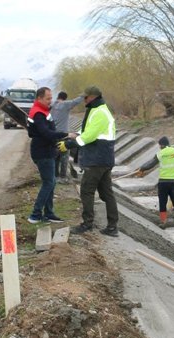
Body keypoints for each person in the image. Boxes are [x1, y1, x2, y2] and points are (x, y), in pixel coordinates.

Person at [59, 85, 119, 237]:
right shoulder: (97, 110)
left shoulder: (100, 112)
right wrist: (74, 134)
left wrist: (68, 144)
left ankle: (87, 224)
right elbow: (87, 131)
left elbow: (89, 136)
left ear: (92, 97)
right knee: (107, 193)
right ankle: (112, 227)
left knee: (86, 190)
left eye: (85, 97)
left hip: (97, 159)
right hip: (103, 158)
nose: (83, 100)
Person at [27, 87, 70, 224]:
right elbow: (47, 133)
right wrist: (66, 134)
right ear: (39, 98)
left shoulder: (43, 111)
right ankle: (35, 214)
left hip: (48, 151)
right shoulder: (38, 114)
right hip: (43, 153)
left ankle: (49, 213)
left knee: (51, 182)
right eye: (48, 98)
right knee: (49, 182)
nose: (50, 101)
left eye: (51, 98)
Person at [140, 137, 174, 229]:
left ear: (161, 145)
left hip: (163, 182)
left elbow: (151, 163)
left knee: (162, 202)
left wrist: (142, 168)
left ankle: (163, 222)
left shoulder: (160, 153)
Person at [51, 91, 84, 183]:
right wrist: (84, 95)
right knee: (64, 156)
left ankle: (55, 176)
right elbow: (75, 101)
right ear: (65, 98)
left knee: (55, 156)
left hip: (53, 134)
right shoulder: (65, 104)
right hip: (63, 135)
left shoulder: (52, 104)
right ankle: (63, 177)